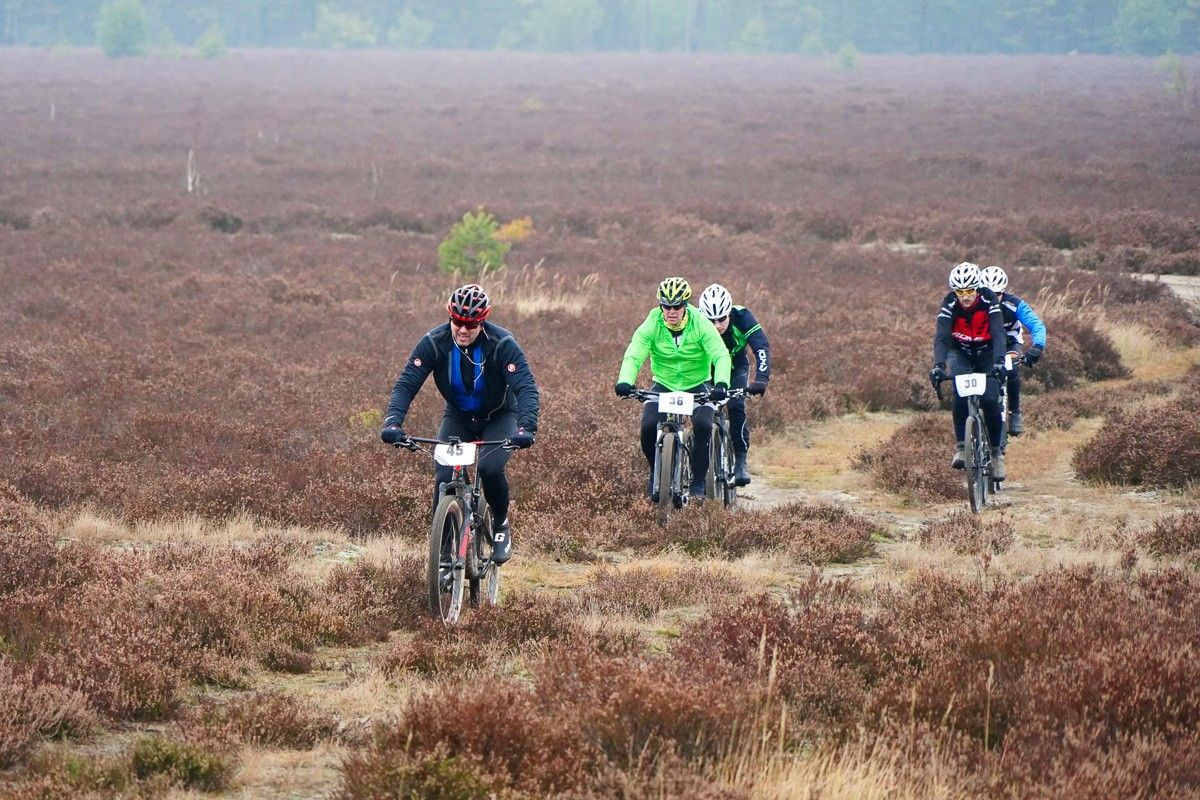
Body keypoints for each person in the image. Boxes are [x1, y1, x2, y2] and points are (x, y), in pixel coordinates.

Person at [380, 284, 539, 565]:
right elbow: (407, 384)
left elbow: (525, 387)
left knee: (490, 469)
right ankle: (442, 554)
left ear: (482, 322)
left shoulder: (502, 344)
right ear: (450, 318)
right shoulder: (434, 342)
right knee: (444, 477)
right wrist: (393, 422)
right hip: (459, 416)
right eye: (458, 322)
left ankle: (500, 524)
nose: (463, 330)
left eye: (471, 325)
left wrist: (526, 428)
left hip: (500, 416)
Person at [614, 277, 732, 502]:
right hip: (665, 384)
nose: (671, 311)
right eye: (666, 306)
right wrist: (625, 381)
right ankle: (656, 471)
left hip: (698, 383)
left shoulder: (700, 323)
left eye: (677, 306)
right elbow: (635, 352)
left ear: (685, 305)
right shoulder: (653, 322)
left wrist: (721, 384)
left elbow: (720, 354)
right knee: (649, 425)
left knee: (703, 425)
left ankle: (698, 482)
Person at [929, 262, 1008, 480]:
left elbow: (999, 333)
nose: (965, 297)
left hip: (987, 352)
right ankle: (962, 447)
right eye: (960, 292)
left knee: (991, 401)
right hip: (961, 351)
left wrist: (1000, 361)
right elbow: (942, 337)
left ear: (977, 288)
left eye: (970, 291)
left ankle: (995, 453)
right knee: (961, 396)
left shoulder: (989, 299)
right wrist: (938, 365)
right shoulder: (949, 304)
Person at [696, 283, 770, 486]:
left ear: (729, 312)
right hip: (705, 370)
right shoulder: (694, 321)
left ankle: (740, 459)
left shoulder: (742, 317)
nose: (717, 325)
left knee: (736, 406)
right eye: (711, 321)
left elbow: (761, 347)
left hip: (736, 367)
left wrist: (761, 378)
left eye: (721, 319)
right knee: (700, 411)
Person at [978, 266, 1047, 436]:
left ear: (1003, 291)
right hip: (983, 344)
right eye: (988, 294)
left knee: (1011, 368)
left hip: (1009, 344)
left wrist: (1037, 347)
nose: (993, 299)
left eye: (997, 295)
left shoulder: (1015, 304)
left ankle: (1014, 412)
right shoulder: (973, 305)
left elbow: (1037, 325)